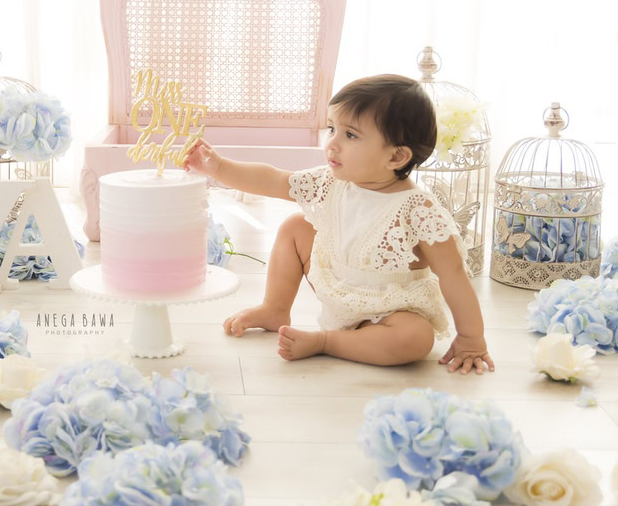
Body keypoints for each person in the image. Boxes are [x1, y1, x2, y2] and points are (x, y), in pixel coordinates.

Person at [183, 74, 494, 374]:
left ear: (396, 157)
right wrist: (219, 167)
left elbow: (453, 275)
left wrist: (471, 338)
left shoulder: (419, 211)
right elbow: (272, 179)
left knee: (416, 338)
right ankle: (275, 308)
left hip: (390, 309)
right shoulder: (331, 182)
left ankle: (328, 342)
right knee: (295, 227)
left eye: (350, 135)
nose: (332, 143)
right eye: (332, 128)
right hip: (336, 284)